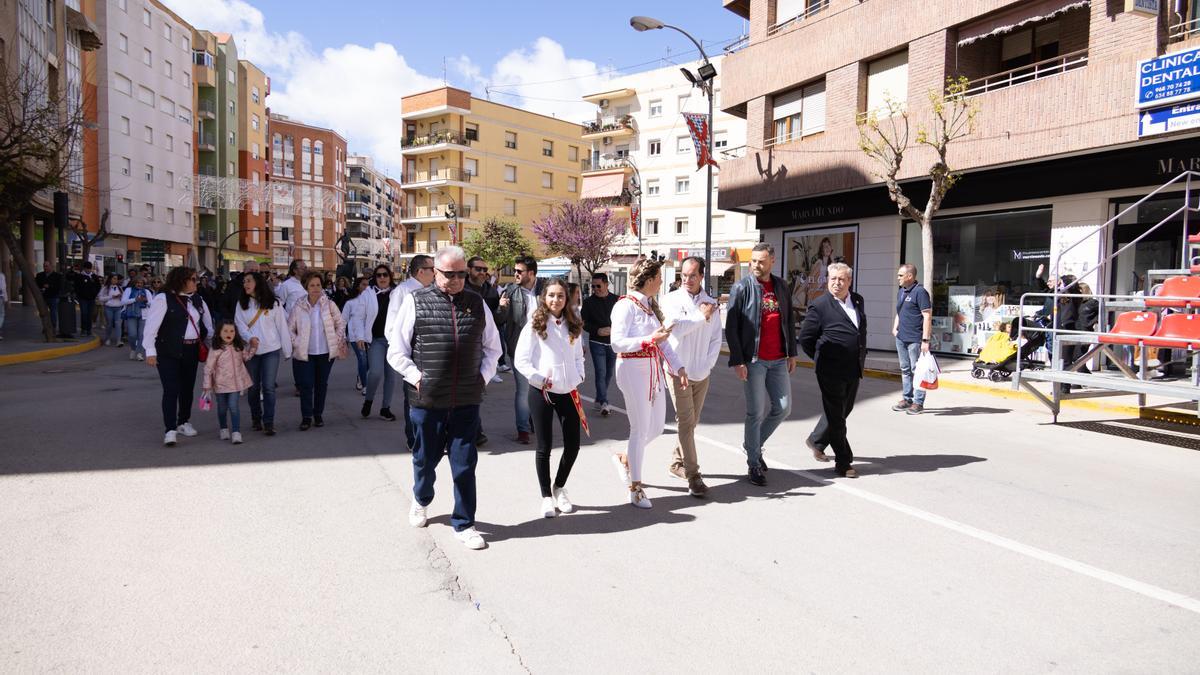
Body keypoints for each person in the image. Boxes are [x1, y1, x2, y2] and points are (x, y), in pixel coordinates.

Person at [387, 246, 502, 550]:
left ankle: (464, 523)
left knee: (464, 464)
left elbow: (493, 348)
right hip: (427, 401)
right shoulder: (415, 302)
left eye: (461, 274)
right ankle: (421, 498)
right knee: (425, 459)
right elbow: (396, 351)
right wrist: (417, 378)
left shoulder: (477, 304)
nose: (456, 279)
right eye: (449, 274)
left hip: (466, 399)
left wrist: (482, 377)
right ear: (435, 272)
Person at [610, 258, 687, 509]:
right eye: (660, 277)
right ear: (651, 280)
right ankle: (636, 488)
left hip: (653, 370)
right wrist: (648, 340)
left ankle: (625, 458)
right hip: (632, 369)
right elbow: (617, 343)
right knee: (640, 428)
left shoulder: (649, 307)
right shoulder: (626, 306)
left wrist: (679, 367)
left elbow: (662, 342)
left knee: (655, 427)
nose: (663, 281)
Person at [725, 242, 797, 486]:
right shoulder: (741, 287)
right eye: (753, 261)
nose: (756, 265)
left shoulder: (781, 286)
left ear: (772, 261)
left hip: (778, 359)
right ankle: (754, 463)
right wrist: (738, 360)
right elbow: (732, 327)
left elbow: (788, 320)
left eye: (761, 261)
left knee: (783, 407)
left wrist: (792, 353)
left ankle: (752, 445)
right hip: (753, 360)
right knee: (754, 412)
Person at [515, 277, 587, 519]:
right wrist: (537, 378)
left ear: (567, 299)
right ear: (544, 298)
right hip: (542, 392)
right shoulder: (535, 324)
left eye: (561, 295)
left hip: (568, 391)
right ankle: (546, 496)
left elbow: (579, 356)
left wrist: (579, 375)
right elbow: (521, 360)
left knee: (573, 445)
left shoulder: (573, 324)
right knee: (544, 447)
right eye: (551, 295)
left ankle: (559, 487)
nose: (556, 300)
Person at [661, 257, 723, 497]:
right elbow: (677, 328)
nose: (687, 279)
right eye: (684, 275)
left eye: (692, 275)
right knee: (686, 422)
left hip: (701, 373)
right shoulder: (670, 300)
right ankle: (693, 475)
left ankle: (676, 463)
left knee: (691, 423)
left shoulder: (711, 303)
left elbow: (716, 338)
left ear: (702, 276)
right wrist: (701, 316)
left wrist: (708, 364)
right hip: (677, 371)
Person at [799, 263, 867, 478]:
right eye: (833, 279)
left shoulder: (857, 300)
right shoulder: (820, 305)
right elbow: (806, 339)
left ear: (849, 281)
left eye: (841, 279)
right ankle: (843, 462)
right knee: (837, 417)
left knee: (843, 411)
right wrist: (821, 358)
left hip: (853, 366)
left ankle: (817, 440)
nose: (837, 283)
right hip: (830, 369)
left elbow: (859, 330)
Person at [144, 266, 214, 446]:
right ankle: (170, 429)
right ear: (181, 280)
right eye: (192, 279)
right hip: (168, 351)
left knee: (187, 389)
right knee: (171, 390)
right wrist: (150, 351)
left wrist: (213, 348)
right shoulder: (163, 299)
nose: (196, 282)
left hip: (191, 350)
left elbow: (208, 326)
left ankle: (183, 421)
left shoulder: (198, 299)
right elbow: (151, 328)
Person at [385, 255, 435, 450]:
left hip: (430, 351)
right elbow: (391, 327)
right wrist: (402, 353)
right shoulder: (403, 291)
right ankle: (413, 439)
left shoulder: (432, 290)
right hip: (412, 352)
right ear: (421, 271)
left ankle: (430, 437)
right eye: (432, 268)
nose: (435, 272)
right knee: (413, 398)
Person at [288, 271, 347, 431]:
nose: (315, 288)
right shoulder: (298, 306)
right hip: (305, 353)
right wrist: (297, 342)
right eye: (312, 285)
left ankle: (318, 414)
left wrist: (335, 338)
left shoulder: (329, 304)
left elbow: (340, 323)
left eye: (318, 285)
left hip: (325, 353)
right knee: (306, 385)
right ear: (306, 287)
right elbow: (290, 329)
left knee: (321, 384)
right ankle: (306, 417)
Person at [235, 271, 292, 436]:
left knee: (268, 387)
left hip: (271, 350)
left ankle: (269, 422)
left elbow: (282, 326)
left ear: (258, 283)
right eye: (244, 281)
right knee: (253, 388)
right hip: (251, 351)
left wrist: (287, 350)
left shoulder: (274, 303)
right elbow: (239, 324)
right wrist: (249, 337)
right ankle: (256, 418)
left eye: (248, 281)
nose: (245, 284)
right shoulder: (241, 303)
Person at [498, 256, 544, 444]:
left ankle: (534, 419)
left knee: (540, 388)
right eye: (515, 271)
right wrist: (501, 309)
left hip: (544, 348)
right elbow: (499, 321)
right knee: (524, 389)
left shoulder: (547, 289)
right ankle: (523, 429)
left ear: (531, 273)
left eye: (519, 271)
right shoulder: (510, 291)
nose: (515, 274)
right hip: (519, 349)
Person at [203, 320, 257, 444]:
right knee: (222, 408)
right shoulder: (215, 349)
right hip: (220, 385)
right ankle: (223, 428)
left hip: (236, 384)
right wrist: (207, 385)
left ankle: (236, 432)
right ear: (219, 333)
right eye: (225, 331)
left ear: (235, 333)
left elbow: (246, 357)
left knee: (233, 407)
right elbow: (208, 368)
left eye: (232, 331)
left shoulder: (239, 346)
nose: (229, 333)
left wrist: (253, 348)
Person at [358, 264, 399, 422]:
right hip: (376, 340)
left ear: (390, 277)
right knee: (375, 372)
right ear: (374, 278)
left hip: (393, 341)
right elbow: (358, 316)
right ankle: (368, 400)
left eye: (385, 275)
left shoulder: (397, 294)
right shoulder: (368, 294)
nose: (382, 278)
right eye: (379, 275)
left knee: (391, 376)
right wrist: (359, 336)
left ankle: (385, 408)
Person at [892, 264, 933, 415]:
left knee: (918, 371)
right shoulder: (901, 291)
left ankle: (918, 402)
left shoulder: (920, 292)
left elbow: (927, 316)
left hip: (915, 339)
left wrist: (925, 340)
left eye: (900, 275)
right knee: (905, 369)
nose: (898, 278)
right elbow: (899, 311)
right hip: (901, 337)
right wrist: (895, 327)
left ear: (910, 276)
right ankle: (907, 398)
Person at [581, 272, 619, 417]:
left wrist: (613, 330)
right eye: (593, 286)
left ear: (606, 284)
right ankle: (604, 402)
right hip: (596, 342)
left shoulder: (616, 300)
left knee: (609, 373)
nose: (595, 289)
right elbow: (584, 324)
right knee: (600, 372)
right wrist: (597, 330)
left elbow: (623, 321)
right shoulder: (589, 302)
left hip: (613, 343)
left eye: (598, 286)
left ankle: (599, 398)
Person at [343, 275, 371, 392]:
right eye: (363, 284)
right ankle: (365, 385)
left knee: (370, 362)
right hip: (355, 337)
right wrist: (343, 338)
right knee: (362, 359)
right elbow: (342, 320)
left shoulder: (372, 300)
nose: (366, 287)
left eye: (368, 284)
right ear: (358, 286)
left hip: (370, 336)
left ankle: (361, 375)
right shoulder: (350, 303)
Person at [121, 276, 153, 360]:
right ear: (134, 283)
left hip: (144, 316)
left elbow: (152, 304)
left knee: (142, 335)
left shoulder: (147, 291)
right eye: (138, 283)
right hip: (131, 315)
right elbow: (123, 301)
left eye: (141, 283)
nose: (139, 284)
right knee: (132, 335)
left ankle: (140, 353)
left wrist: (146, 302)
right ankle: (133, 349)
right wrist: (135, 299)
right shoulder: (128, 290)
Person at [73, 262, 100, 337]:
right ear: (84, 268)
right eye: (87, 268)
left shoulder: (94, 277)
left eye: (90, 268)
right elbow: (76, 287)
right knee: (84, 313)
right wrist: (79, 295)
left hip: (91, 298)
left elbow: (98, 286)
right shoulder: (80, 276)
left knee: (90, 314)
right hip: (83, 299)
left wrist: (94, 294)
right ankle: (83, 329)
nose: (88, 270)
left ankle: (89, 329)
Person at [99, 274, 126, 347]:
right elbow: (100, 298)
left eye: (116, 279)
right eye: (114, 278)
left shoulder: (120, 288)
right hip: (109, 308)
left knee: (118, 324)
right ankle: (108, 338)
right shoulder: (105, 288)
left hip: (118, 308)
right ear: (110, 279)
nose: (115, 280)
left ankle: (118, 341)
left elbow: (124, 298)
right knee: (109, 324)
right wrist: (111, 297)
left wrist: (120, 297)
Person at [35, 261, 63, 333]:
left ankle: (53, 327)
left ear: (51, 266)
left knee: (53, 313)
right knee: (43, 313)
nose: (45, 267)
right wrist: (42, 287)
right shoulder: (39, 275)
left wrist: (49, 286)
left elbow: (59, 286)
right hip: (43, 297)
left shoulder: (57, 276)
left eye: (47, 266)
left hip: (53, 297)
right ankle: (45, 327)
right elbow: (36, 285)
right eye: (44, 266)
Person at [0, 268, 8, 340]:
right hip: (0, 298)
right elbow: (3, 288)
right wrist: (5, 298)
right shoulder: (1, 276)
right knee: (1, 314)